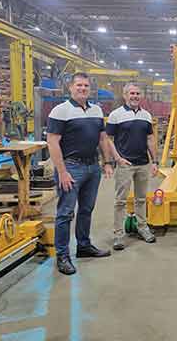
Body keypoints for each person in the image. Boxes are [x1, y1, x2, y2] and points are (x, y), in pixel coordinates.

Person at [47, 73, 113, 276]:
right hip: (71, 167)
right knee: (65, 213)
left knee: (86, 209)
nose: (82, 88)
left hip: (93, 168)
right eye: (79, 85)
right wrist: (62, 172)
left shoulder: (96, 109)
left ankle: (83, 246)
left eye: (86, 85)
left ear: (90, 89)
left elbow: (102, 139)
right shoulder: (60, 111)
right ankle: (63, 255)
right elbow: (53, 142)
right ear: (70, 88)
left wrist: (107, 162)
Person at [106, 83, 158, 250]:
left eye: (137, 93)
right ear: (125, 95)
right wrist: (117, 158)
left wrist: (155, 161)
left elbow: (150, 139)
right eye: (132, 93)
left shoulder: (146, 116)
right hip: (125, 165)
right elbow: (108, 139)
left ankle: (143, 228)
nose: (135, 96)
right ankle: (118, 235)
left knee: (141, 199)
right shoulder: (116, 115)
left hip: (143, 163)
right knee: (120, 201)